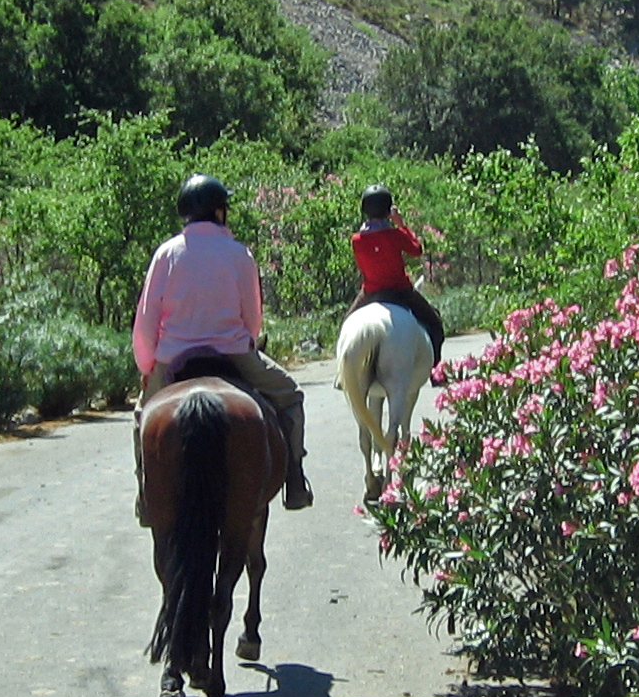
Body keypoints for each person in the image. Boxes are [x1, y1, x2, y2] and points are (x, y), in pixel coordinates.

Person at [134, 174, 314, 512]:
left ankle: (146, 493)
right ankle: (293, 478)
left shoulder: (165, 254)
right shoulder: (239, 254)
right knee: (290, 397)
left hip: (174, 357)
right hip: (233, 353)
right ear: (219, 213)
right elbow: (254, 321)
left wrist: (148, 366)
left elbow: (146, 320)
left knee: (144, 415)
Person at [350, 184, 444, 365]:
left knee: (347, 326)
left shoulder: (357, 240)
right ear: (388, 210)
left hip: (370, 292)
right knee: (434, 323)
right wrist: (401, 224)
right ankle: (435, 371)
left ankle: (342, 373)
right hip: (401, 291)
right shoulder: (396, 234)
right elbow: (417, 250)